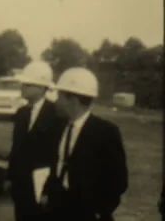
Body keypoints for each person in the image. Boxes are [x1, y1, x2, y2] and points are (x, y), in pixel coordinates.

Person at [41, 67, 128, 221]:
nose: (56, 102)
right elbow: (57, 166)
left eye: (60, 97)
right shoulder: (59, 127)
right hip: (57, 210)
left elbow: (119, 181)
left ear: (73, 101)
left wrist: (99, 210)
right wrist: (47, 192)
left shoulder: (105, 132)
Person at [7, 60, 61, 221]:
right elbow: (16, 148)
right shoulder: (21, 113)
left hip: (41, 184)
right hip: (21, 184)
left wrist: (48, 190)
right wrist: (10, 177)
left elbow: (56, 156)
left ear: (41, 88)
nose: (22, 87)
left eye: (27, 84)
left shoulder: (56, 114)